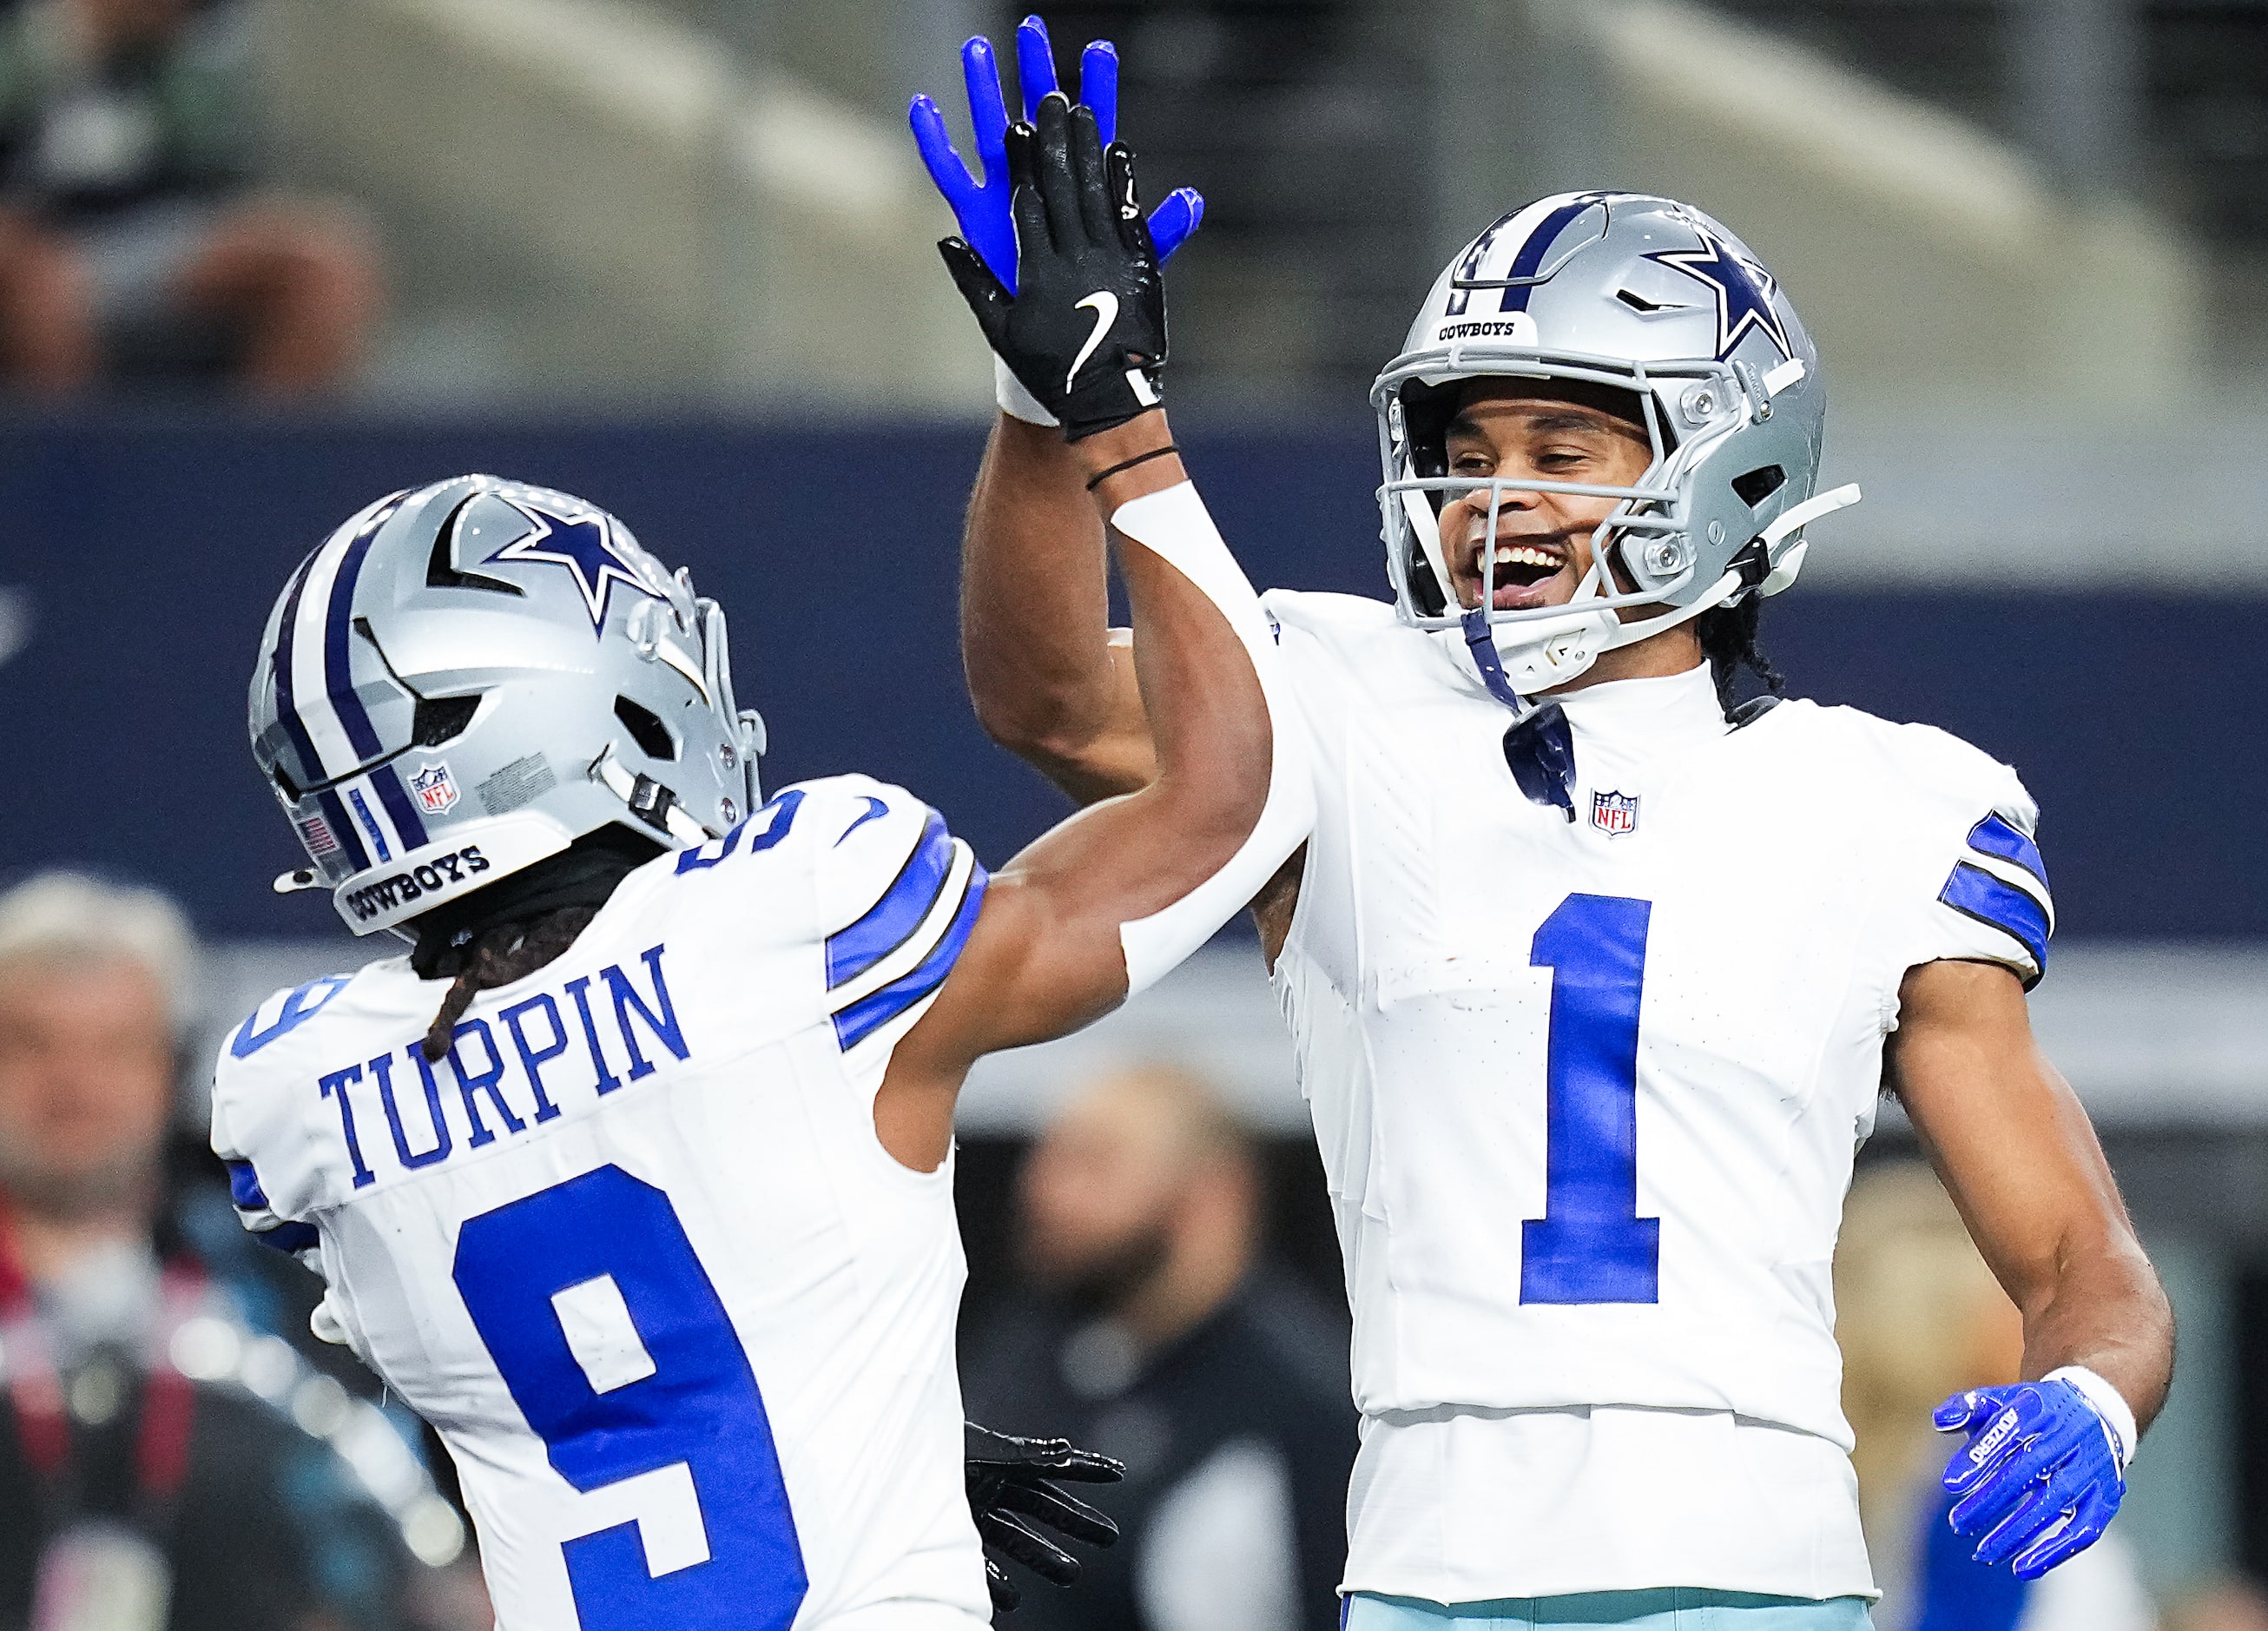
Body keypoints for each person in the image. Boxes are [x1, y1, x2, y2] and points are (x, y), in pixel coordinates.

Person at [919, 26, 2178, 1629]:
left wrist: (2093, 1393)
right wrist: (1049, 401)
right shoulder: (1344, 699)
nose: (1491, 498)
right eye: (1462, 453)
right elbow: (1038, 692)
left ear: (1731, 462)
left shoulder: (1892, 801)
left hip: (1754, 1572)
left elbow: (2086, 1257)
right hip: (1429, 1568)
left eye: (1558, 450)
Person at [208, 102, 1309, 1631]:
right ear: (562, 707)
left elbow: (569, 1360)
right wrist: (1099, 418)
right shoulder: (794, 918)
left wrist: (823, 1405)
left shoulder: (305, 1096)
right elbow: (1228, 796)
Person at [0, 870, 442, 1631]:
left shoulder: (303, 1295)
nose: (73, 1084)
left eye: (113, 1048)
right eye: (33, 1043)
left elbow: (416, 1554)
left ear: (173, 1070)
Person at [964, 1065, 1355, 1631]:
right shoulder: (1020, 1352)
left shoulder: (1301, 1407)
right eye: (1048, 1160)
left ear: (1211, 1192)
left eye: (1095, 1162)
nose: (1043, 1191)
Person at [0, 0, 381, 393]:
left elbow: (222, 181)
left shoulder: (206, 40)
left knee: (324, 263)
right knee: (32, 276)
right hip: (28, 242)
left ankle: (255, 456)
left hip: (158, 245)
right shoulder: (19, 33)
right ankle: (63, 454)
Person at [1836, 1162, 2156, 1631]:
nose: (2038, 1322)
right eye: (2014, 1299)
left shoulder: (1889, 1478)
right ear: (1942, 1325)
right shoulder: (1973, 1492)